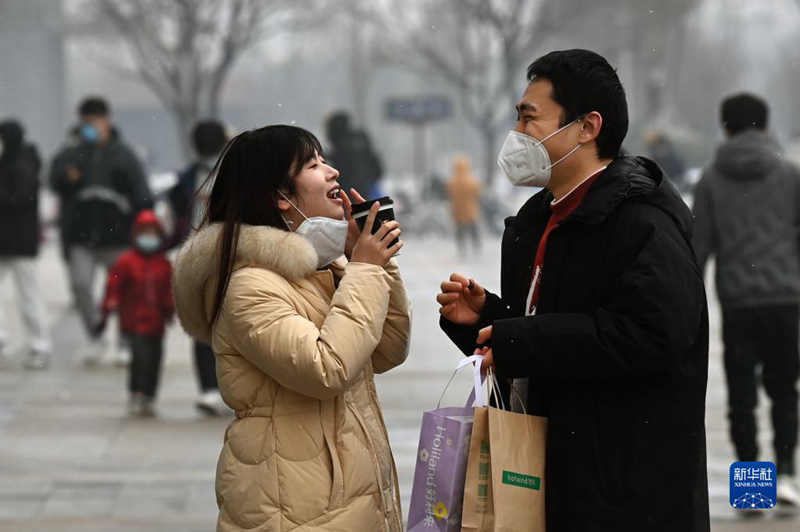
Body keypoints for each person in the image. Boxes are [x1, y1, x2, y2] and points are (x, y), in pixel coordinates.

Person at [436, 49, 709, 531]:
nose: (517, 133)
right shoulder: (536, 219)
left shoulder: (642, 223)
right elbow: (555, 325)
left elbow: (648, 336)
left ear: (587, 127)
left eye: (529, 117)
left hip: (623, 490)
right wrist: (488, 321)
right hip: (548, 475)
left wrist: (517, 340)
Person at [172, 125, 410, 531]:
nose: (332, 172)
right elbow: (327, 369)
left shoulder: (324, 267)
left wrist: (370, 263)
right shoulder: (248, 285)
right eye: (314, 165)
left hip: (339, 495)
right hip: (292, 508)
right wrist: (366, 270)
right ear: (280, 198)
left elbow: (387, 350)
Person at [693, 93, 800, 506]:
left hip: (737, 302)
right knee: (784, 389)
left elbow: (698, 248)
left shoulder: (711, 179)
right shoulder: (790, 175)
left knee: (742, 395)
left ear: (726, 128)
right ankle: (787, 474)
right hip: (785, 299)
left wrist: (692, 304)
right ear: (766, 125)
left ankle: (752, 489)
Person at [49, 97, 154, 364]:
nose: (89, 127)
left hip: (117, 237)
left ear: (107, 120)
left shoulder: (124, 153)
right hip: (81, 236)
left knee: (125, 292)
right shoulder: (73, 152)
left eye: (93, 121)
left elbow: (143, 194)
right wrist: (65, 177)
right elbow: (53, 179)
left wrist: (139, 221)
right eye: (84, 123)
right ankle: (96, 336)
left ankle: (125, 343)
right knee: (80, 284)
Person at [167, 119, 229, 416]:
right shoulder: (187, 179)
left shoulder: (238, 175)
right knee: (205, 323)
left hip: (226, 256)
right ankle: (210, 389)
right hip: (202, 258)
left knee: (213, 324)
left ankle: (218, 388)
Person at [98, 210, 173, 417]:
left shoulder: (163, 264)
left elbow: (170, 291)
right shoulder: (126, 262)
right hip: (133, 320)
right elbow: (113, 286)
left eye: (153, 233)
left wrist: (171, 310)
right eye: (145, 232)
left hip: (157, 322)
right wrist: (108, 307)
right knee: (140, 357)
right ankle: (137, 390)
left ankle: (149, 392)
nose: (149, 238)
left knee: (155, 358)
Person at [0, 120, 51, 369]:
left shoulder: (23, 165)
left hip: (20, 242)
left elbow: (18, 198)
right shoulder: (10, 163)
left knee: (28, 296)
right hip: (5, 241)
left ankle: (39, 345)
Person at [446, 154, 482, 256]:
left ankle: (461, 248)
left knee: (459, 230)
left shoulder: (452, 181)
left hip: (457, 210)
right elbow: (477, 191)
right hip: (470, 210)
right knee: (473, 228)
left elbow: (449, 193)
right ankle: (476, 245)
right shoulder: (470, 180)